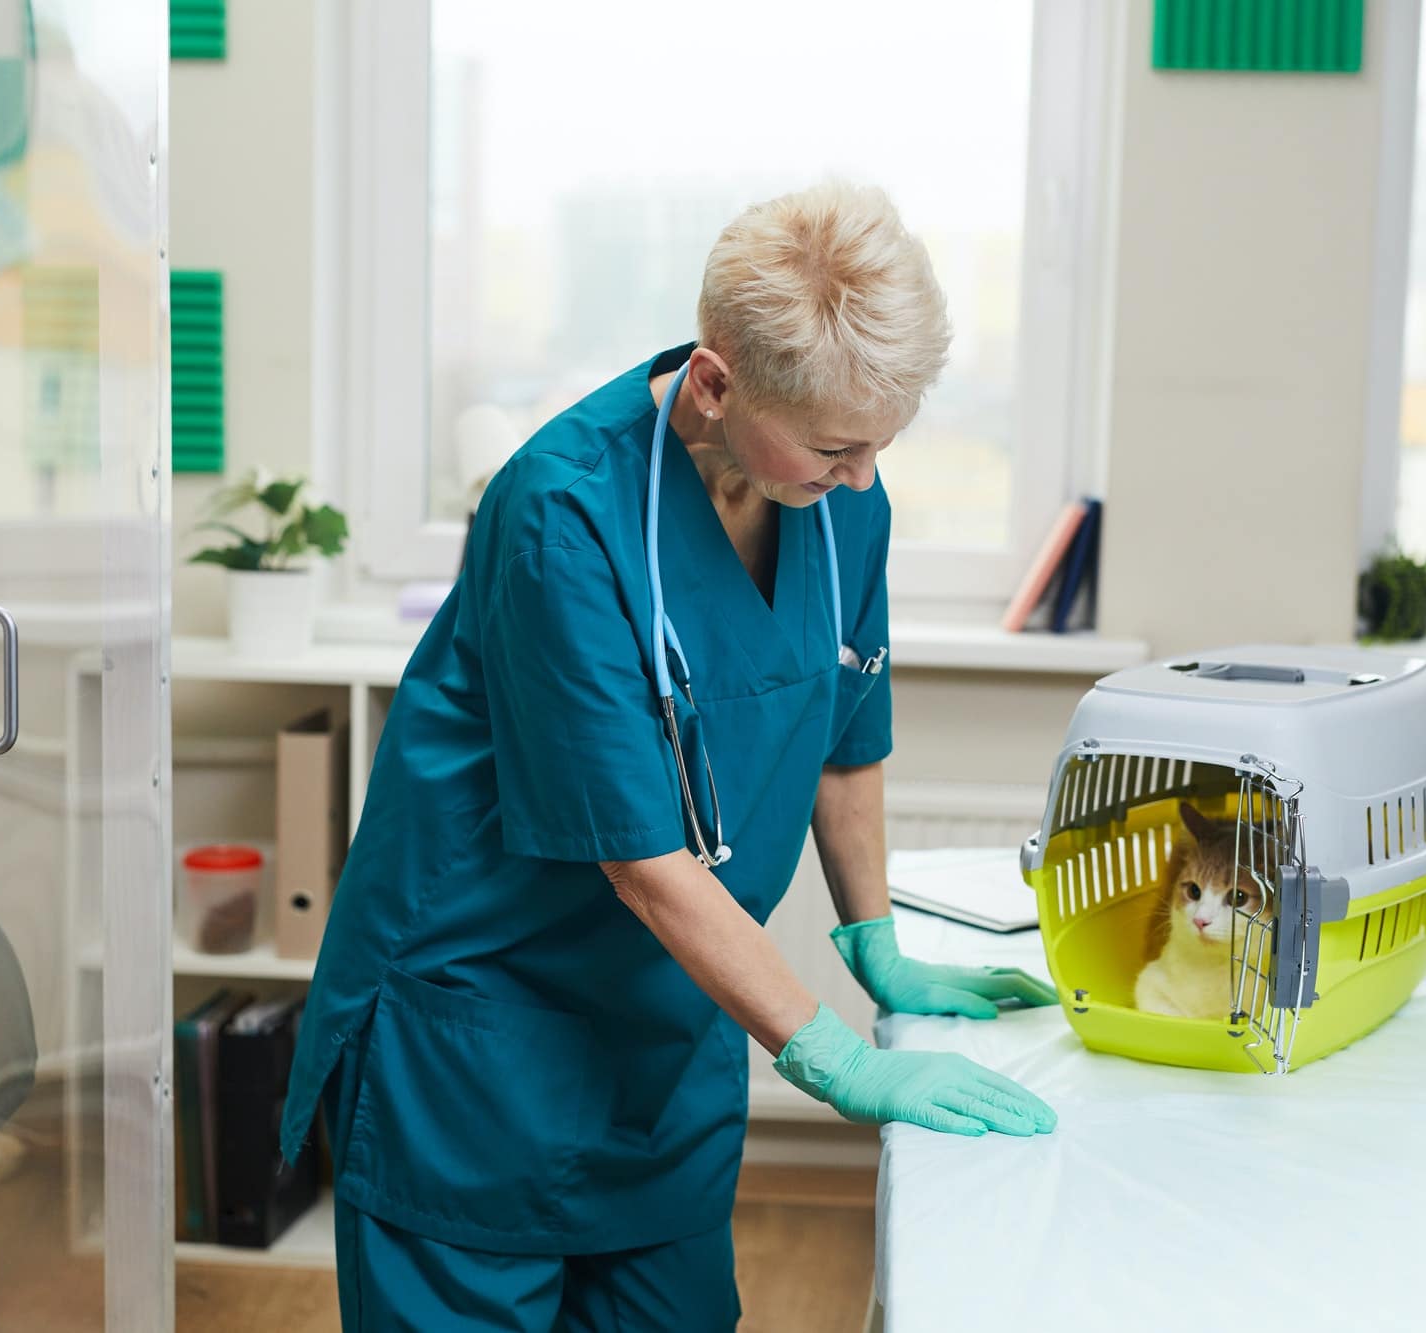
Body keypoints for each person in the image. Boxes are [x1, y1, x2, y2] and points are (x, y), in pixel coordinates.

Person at [280, 181, 1058, 1331]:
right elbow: (642, 860)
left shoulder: (844, 494)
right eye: (831, 447)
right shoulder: (562, 515)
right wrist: (838, 1060)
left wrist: (876, 945)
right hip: (478, 1043)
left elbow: (844, 734)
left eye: (877, 446)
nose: (855, 479)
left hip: (661, 1045)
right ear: (713, 381)